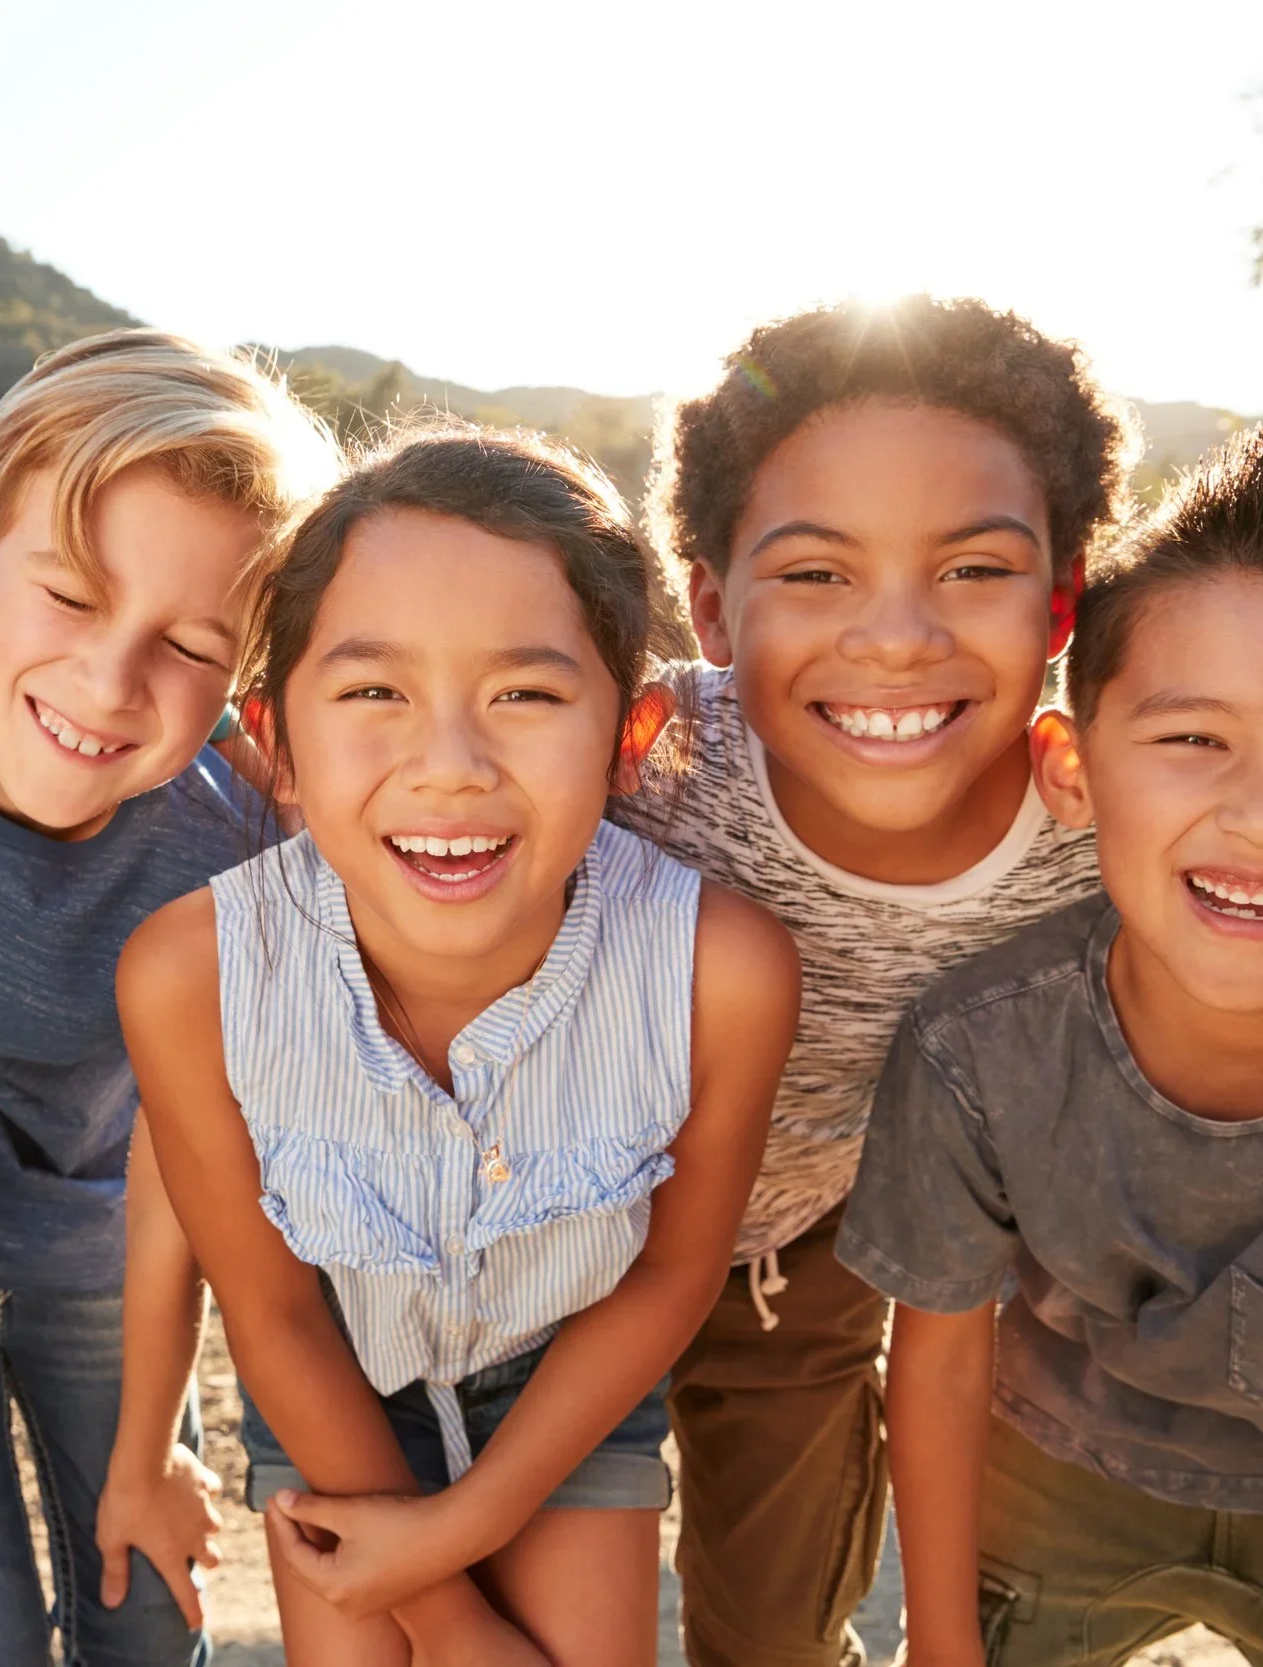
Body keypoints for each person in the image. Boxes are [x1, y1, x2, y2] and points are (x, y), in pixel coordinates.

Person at [121, 426, 799, 1663]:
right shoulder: (192, 972)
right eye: (374, 691)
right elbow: (269, 1308)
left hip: (571, 1377)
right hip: (333, 1377)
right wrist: (445, 1618)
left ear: (631, 734)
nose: (449, 766)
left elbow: (669, 1277)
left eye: (525, 694)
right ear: (276, 735)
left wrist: (464, 1529)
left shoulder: (721, 969)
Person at [846, 429, 1263, 1666]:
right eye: (1193, 738)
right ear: (1073, 766)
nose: (1262, 814)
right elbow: (934, 1354)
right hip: (1058, 1454)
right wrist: (936, 1642)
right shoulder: (980, 1044)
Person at [644, 296, 1130, 1667]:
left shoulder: (1104, 829)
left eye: (974, 567)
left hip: (793, 1258)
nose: (897, 636)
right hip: (530, 1235)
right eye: (814, 573)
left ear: (1064, 595)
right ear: (707, 603)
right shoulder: (641, 761)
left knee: (771, 1624)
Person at [0, 330, 337, 1666]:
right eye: (70, 595)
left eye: (190, 643)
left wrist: (154, 1439)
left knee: (145, 1613)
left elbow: (197, 1165)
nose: (108, 679)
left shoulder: (238, 844)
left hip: (118, 1270)